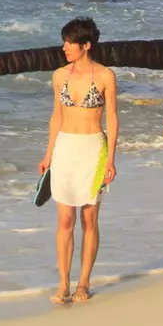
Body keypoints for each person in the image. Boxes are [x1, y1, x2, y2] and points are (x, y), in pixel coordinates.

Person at [37, 17, 118, 305]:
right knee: (65, 219)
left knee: (89, 218)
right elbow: (56, 116)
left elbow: (112, 118)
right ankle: (63, 284)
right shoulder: (59, 75)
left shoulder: (106, 76)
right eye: (64, 42)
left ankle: (84, 281)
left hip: (93, 150)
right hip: (65, 149)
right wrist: (48, 154)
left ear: (86, 45)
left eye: (70, 43)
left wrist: (111, 159)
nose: (64, 47)